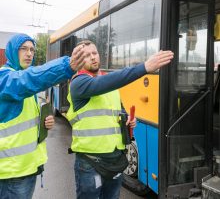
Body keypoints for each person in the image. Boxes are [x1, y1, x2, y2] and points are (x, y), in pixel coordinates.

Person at [66, 40, 174, 199]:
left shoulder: (108, 83)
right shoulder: (79, 83)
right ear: (79, 61)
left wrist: (128, 121)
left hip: (114, 159)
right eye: (87, 56)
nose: (93, 58)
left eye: (94, 53)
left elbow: (119, 111)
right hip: (90, 163)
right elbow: (104, 83)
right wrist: (144, 67)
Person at [0, 33, 86, 199]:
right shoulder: (5, 77)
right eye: (23, 49)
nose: (29, 53)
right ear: (11, 51)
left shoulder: (20, 77)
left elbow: (17, 119)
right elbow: (28, 79)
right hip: (11, 173)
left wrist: (43, 122)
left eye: (32, 49)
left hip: (26, 168)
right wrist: (66, 66)